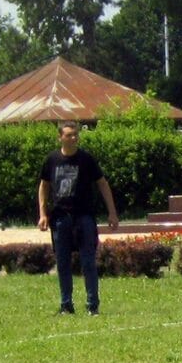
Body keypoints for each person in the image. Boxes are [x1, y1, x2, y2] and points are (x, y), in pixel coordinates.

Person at [37, 121, 118, 315]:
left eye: (75, 135)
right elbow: (44, 186)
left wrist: (112, 212)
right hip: (60, 218)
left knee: (88, 261)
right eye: (69, 135)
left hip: (84, 217)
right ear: (60, 138)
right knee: (63, 263)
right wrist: (42, 214)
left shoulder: (86, 159)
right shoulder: (52, 160)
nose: (73, 138)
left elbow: (103, 184)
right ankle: (66, 305)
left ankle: (93, 306)